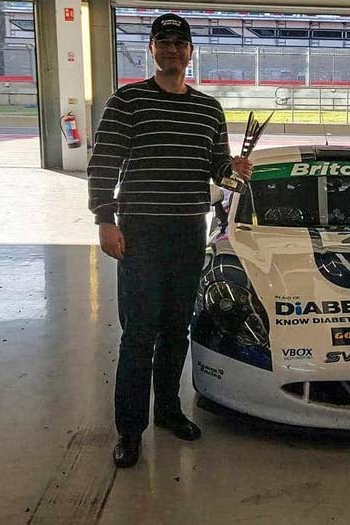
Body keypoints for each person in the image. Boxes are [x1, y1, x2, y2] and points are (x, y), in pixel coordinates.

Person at [87, 13, 252, 469]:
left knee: (176, 331)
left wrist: (231, 172)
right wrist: (105, 219)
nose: (173, 50)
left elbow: (215, 170)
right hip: (139, 235)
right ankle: (129, 430)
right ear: (152, 50)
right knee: (139, 335)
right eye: (164, 42)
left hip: (186, 234)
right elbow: (103, 165)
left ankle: (167, 411)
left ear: (191, 52)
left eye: (181, 43)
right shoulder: (128, 102)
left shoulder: (208, 109)